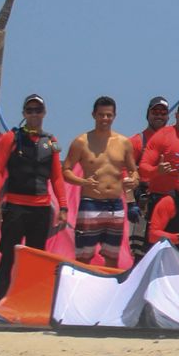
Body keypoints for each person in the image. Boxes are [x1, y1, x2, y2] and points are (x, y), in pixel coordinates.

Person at [0, 93, 69, 298]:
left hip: (41, 210)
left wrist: (64, 207)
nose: (34, 114)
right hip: (15, 208)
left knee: (36, 259)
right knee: (8, 258)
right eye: (30, 110)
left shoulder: (51, 141)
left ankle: (29, 301)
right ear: (24, 113)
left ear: (44, 113)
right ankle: (2, 301)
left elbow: (57, 177)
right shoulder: (12, 138)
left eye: (38, 110)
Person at [61, 96, 138, 268]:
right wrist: (82, 182)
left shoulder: (124, 143)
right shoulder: (81, 142)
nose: (105, 119)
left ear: (114, 116)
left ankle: (109, 293)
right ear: (94, 115)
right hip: (90, 204)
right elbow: (65, 170)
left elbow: (134, 171)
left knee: (112, 257)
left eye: (109, 115)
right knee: (83, 256)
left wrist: (133, 181)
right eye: (101, 115)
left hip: (115, 205)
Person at [126, 96, 170, 261]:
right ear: (148, 114)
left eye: (163, 112)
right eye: (155, 111)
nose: (159, 115)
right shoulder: (137, 141)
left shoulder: (173, 139)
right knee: (140, 253)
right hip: (145, 204)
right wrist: (130, 203)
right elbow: (126, 174)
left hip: (168, 201)